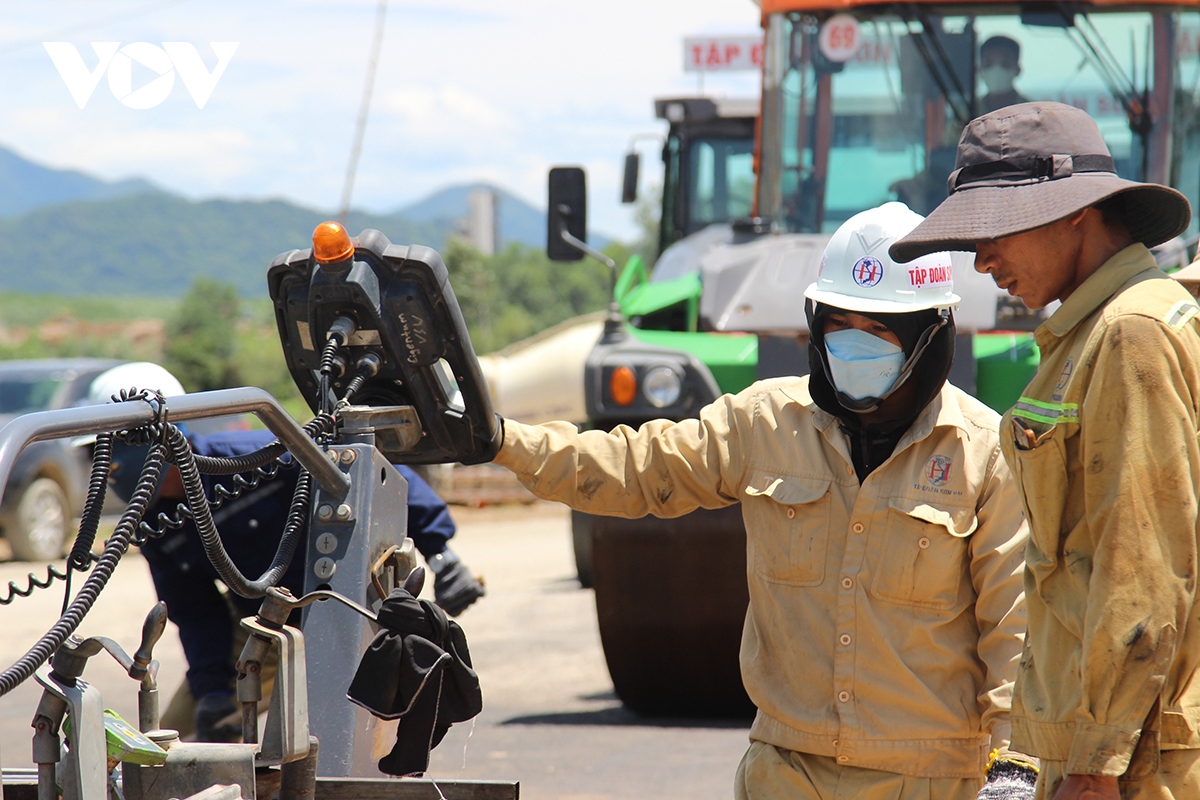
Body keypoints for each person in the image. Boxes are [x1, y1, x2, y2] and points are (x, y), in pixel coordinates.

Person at [493, 202, 1033, 798]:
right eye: (839, 327)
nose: (855, 346)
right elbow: (637, 470)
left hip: (930, 782)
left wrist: (1014, 767)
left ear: (930, 335)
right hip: (786, 775)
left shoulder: (986, 457)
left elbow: (1016, 626)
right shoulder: (762, 423)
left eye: (879, 331)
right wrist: (501, 442)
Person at [889, 101, 1199, 799]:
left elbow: (1142, 570)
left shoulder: (1130, 335)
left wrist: (1093, 769)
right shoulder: (1100, 334)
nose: (982, 259)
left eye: (993, 230)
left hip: (1132, 766)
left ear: (1072, 214)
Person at [85, 362, 485, 741]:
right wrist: (212, 693)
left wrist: (442, 556)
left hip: (346, 616)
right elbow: (196, 613)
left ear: (158, 435)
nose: (105, 466)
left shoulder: (258, 456)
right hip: (264, 631)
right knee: (161, 747)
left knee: (338, 737)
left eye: (109, 448)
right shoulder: (154, 525)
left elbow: (378, 475)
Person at [979, 36, 1028, 114]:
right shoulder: (964, 114)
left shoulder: (1032, 114)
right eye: (988, 64)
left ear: (1018, 70)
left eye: (1005, 64)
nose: (996, 70)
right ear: (979, 70)